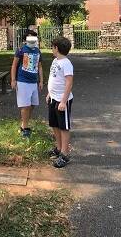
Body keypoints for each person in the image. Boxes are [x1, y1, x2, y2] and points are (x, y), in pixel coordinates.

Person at [46, 36, 74, 168]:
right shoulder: (55, 61)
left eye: (52, 47)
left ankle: (65, 153)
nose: (52, 49)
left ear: (56, 48)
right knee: (55, 124)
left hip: (62, 101)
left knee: (63, 127)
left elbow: (69, 82)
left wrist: (63, 101)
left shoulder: (66, 63)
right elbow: (53, 79)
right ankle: (58, 148)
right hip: (53, 98)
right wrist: (49, 94)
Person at [11, 30, 43, 138]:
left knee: (32, 105)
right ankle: (25, 128)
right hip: (22, 81)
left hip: (33, 82)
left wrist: (41, 81)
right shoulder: (21, 50)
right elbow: (14, 66)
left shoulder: (38, 51)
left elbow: (40, 66)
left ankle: (23, 124)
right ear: (25, 40)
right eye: (29, 38)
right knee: (25, 105)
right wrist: (13, 80)